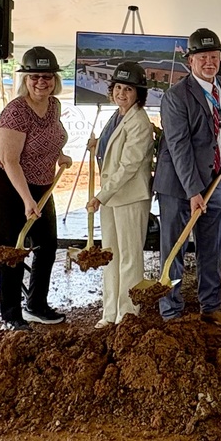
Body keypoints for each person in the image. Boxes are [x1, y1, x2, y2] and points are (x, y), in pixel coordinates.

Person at [153, 28, 221, 327]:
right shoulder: (176, 96)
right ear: (190, 60)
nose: (209, 62)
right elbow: (179, 146)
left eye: (214, 56)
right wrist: (193, 191)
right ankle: (171, 311)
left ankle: (211, 306)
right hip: (179, 185)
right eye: (202, 57)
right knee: (175, 247)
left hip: (214, 182)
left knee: (212, 246)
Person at [0, 47, 72, 331]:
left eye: (46, 77)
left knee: (46, 245)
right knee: (13, 248)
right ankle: (11, 315)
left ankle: (36, 305)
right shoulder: (15, 112)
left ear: (54, 79)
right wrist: (26, 199)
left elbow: (50, 137)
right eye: (34, 77)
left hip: (41, 183)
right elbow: (9, 160)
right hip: (8, 185)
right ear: (25, 79)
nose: (40, 83)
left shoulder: (54, 105)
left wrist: (59, 155)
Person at [86, 61, 155, 328]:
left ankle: (127, 313)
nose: (122, 93)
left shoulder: (139, 121)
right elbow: (112, 156)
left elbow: (129, 166)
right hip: (111, 197)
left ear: (139, 93)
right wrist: (96, 147)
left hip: (129, 197)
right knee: (110, 255)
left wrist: (101, 195)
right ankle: (109, 313)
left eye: (128, 89)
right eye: (118, 87)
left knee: (129, 257)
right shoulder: (117, 116)